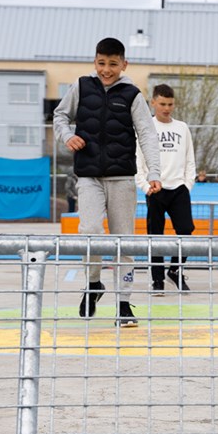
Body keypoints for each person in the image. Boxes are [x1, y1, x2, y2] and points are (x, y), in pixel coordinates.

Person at [52, 37, 162, 328]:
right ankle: (93, 284)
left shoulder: (132, 95)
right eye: (102, 63)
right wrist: (66, 136)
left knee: (124, 240)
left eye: (113, 64)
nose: (106, 69)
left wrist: (154, 173)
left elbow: (148, 135)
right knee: (88, 231)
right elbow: (60, 116)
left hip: (122, 178)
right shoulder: (81, 87)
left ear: (124, 64)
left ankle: (124, 304)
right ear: (95, 61)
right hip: (88, 176)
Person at [136, 84, 196, 295]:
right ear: (153, 103)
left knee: (186, 231)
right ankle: (158, 280)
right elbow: (138, 161)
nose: (166, 108)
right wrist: (145, 186)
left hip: (179, 188)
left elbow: (190, 159)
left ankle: (175, 271)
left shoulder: (182, 127)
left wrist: (188, 184)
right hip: (155, 188)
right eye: (162, 104)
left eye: (170, 104)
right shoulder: (146, 128)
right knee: (156, 236)